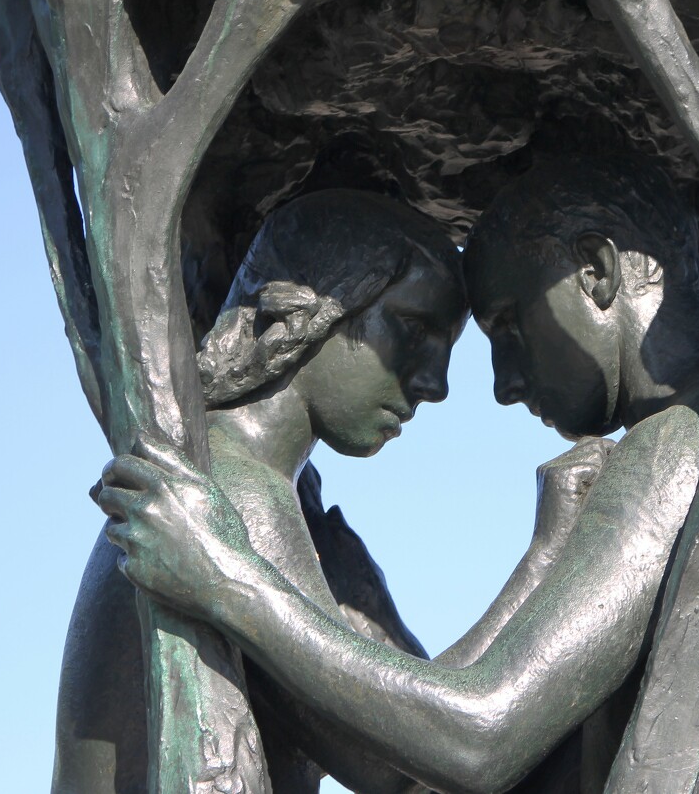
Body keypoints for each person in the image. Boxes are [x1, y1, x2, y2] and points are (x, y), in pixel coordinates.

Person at [100, 160, 699, 793]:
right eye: (415, 331)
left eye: (507, 323)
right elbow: (443, 757)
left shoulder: (684, 444)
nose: (495, 384)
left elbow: (474, 741)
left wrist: (225, 579)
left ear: (597, 273)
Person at [53, 190, 470, 793]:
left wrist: (376, 617)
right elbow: (406, 768)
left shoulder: (231, 475)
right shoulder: (233, 490)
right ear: (310, 312)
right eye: (413, 328)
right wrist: (549, 559)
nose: (436, 383)